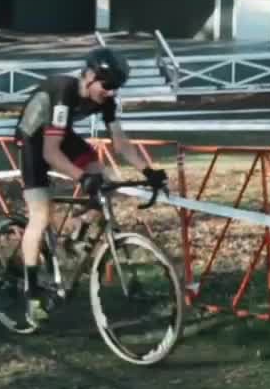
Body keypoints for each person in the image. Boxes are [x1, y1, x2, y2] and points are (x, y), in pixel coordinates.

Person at [12, 47, 168, 327]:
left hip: (59, 135)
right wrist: (80, 177)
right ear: (89, 77)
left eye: (117, 87)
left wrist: (148, 170)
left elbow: (120, 142)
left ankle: (77, 234)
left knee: (105, 181)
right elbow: (50, 153)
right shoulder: (64, 91)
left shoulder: (106, 99)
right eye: (107, 85)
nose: (111, 92)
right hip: (33, 143)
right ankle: (32, 294)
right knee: (41, 215)